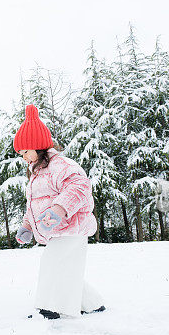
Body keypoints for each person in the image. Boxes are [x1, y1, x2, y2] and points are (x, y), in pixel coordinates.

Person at [13, 104, 105, 319]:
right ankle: (91, 303)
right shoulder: (37, 173)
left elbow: (80, 187)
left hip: (72, 227)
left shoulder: (61, 165)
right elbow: (35, 206)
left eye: (25, 151)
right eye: (20, 154)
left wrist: (59, 210)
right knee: (66, 269)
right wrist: (27, 226)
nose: (23, 157)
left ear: (37, 146)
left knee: (52, 264)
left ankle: (49, 308)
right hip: (58, 231)